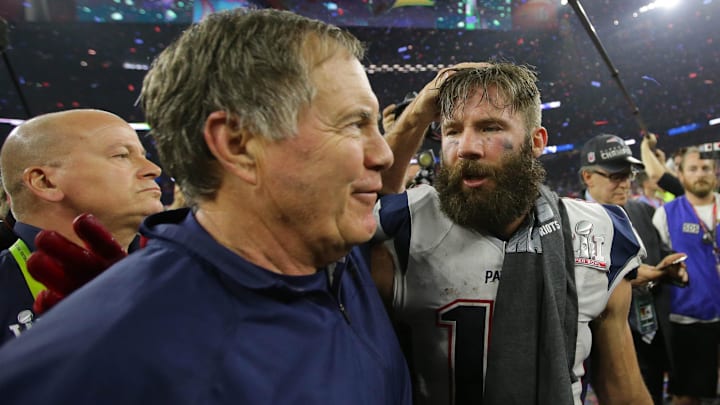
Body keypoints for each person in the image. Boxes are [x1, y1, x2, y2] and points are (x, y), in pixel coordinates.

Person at [0, 9, 412, 404]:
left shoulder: (334, 251)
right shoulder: (99, 363)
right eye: (353, 124)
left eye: (376, 126)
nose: (383, 154)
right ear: (238, 144)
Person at [371, 62, 653, 405]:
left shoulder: (598, 232)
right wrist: (415, 116)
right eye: (452, 130)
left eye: (489, 127)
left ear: (536, 142)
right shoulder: (404, 227)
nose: (466, 147)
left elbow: (622, 389)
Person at [0, 109, 164, 346]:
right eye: (121, 155)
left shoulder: (189, 275)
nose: (153, 169)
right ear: (44, 182)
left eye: (143, 154)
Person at [578, 133, 688, 405]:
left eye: (628, 175)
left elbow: (660, 252)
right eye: (616, 176)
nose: (626, 183)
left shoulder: (640, 211)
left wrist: (672, 267)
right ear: (588, 177)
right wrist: (633, 276)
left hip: (655, 326)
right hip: (609, 338)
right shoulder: (573, 222)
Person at [652, 147, 720, 405]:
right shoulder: (666, 214)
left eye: (705, 168)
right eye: (693, 169)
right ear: (679, 175)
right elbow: (657, 264)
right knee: (686, 394)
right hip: (687, 319)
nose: (700, 174)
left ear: (715, 172)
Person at [641, 133, 684, 198]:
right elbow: (675, 179)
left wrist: (645, 145)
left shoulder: (689, 189)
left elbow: (655, 175)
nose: (677, 168)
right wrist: (662, 164)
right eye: (676, 165)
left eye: (681, 164)